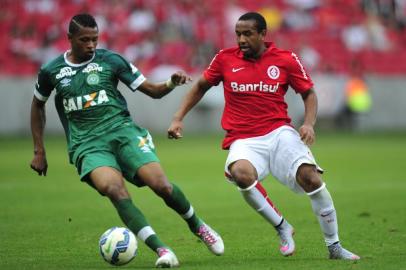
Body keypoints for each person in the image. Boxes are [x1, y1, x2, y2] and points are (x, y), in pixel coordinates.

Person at [30, 13, 224, 268]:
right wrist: (39, 151)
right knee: (114, 189)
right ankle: (162, 250)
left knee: (161, 185)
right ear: (70, 39)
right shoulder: (51, 70)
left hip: (123, 133)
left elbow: (153, 92)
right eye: (84, 40)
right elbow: (37, 105)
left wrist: (170, 83)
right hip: (87, 145)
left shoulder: (110, 60)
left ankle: (198, 226)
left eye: (95, 39)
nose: (91, 45)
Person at [168, 12, 360, 260]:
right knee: (241, 174)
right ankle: (282, 227)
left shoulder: (285, 59)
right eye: (238, 34)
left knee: (310, 178)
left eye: (247, 33)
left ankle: (334, 247)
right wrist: (177, 117)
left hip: (279, 132)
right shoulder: (225, 59)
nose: (241, 39)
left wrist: (309, 123)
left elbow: (309, 93)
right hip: (243, 138)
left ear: (262, 34)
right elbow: (201, 85)